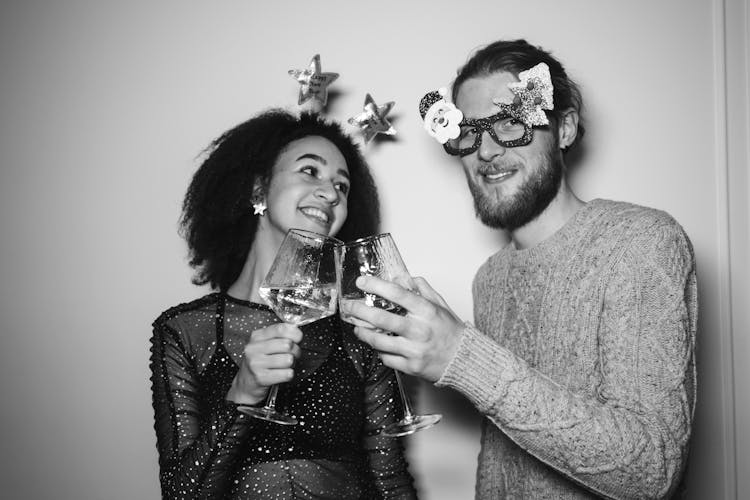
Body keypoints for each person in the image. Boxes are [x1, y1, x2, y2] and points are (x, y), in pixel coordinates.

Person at [342, 39, 696, 499]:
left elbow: (652, 472)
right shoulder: (489, 279)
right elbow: (503, 456)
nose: (485, 151)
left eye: (511, 123)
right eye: (467, 132)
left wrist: (461, 358)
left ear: (564, 129)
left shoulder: (642, 243)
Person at [149, 109, 417, 499]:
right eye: (310, 171)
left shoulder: (361, 327)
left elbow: (390, 481)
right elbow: (181, 494)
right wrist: (241, 395)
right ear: (259, 189)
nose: (330, 193)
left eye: (342, 187)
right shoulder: (183, 331)